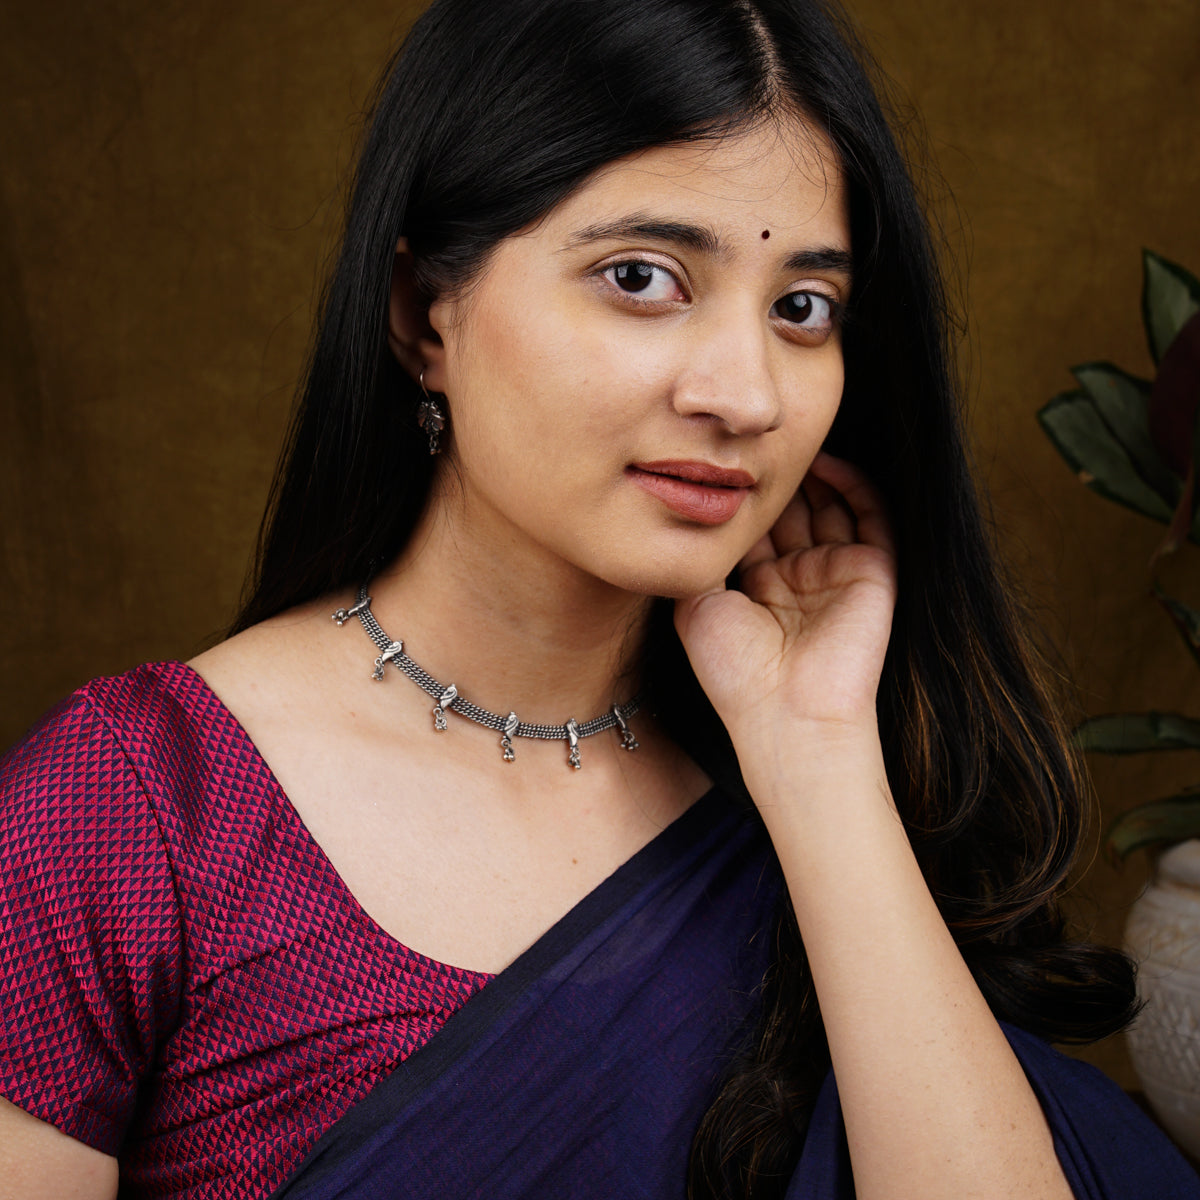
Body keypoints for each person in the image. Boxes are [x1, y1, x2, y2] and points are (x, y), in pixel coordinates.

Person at [1, 1, 1197, 1197]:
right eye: (641, 278)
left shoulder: (809, 789)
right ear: (423, 314)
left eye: (802, 307)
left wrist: (817, 757)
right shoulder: (134, 812)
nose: (747, 396)